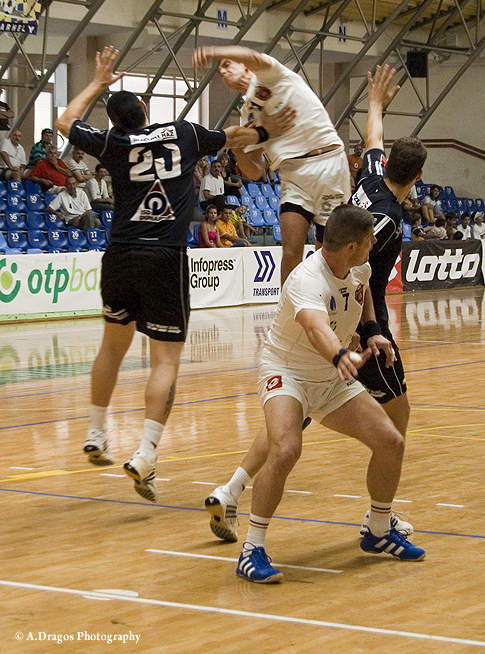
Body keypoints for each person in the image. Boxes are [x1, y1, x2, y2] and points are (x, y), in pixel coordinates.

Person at [55, 46, 293, 503]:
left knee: (111, 347)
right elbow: (234, 136)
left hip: (120, 253)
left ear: (115, 121)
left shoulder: (114, 143)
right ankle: (146, 453)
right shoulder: (183, 133)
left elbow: (65, 122)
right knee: (164, 361)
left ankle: (96, 432)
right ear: (146, 109)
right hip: (164, 257)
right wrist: (269, 128)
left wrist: (97, 81)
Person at [205, 66, 427, 545]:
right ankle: (381, 517)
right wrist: (363, 334)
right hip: (356, 319)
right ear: (418, 177)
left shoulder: (370, 177)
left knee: (295, 415)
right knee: (396, 420)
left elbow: (372, 140)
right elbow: (354, 274)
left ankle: (231, 489)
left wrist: (374, 103)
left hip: (344, 311)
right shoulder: (383, 224)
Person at [232, 204, 425, 583]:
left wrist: (372, 330)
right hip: (287, 373)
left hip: (330, 379)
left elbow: (363, 294)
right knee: (286, 449)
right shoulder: (307, 279)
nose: (374, 244)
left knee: (391, 442)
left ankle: (379, 530)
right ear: (351, 246)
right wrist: (339, 354)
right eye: (369, 240)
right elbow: (315, 327)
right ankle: (251, 549)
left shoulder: (359, 267)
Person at [192, 45, 350, 286]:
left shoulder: (273, 75)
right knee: (291, 251)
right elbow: (255, 171)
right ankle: (287, 307)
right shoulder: (248, 114)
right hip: (292, 174)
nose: (222, 71)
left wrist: (213, 51)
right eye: (220, 68)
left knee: (328, 252)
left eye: (227, 64)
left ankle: (331, 304)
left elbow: (253, 56)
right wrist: (238, 148)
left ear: (245, 65)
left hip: (327, 162)